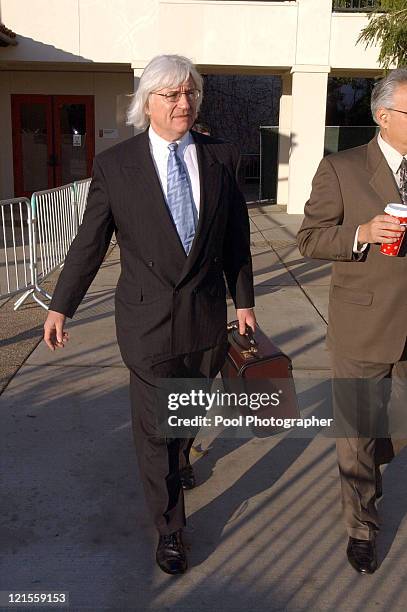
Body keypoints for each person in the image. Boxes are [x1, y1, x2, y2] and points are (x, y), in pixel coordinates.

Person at [43, 54, 256, 575]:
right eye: (172, 95)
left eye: (191, 94)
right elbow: (89, 243)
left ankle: (181, 456)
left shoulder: (222, 157)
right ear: (148, 103)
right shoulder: (116, 166)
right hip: (146, 322)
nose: (184, 103)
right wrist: (61, 305)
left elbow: (236, 239)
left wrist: (244, 299)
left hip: (204, 317)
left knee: (188, 411)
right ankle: (170, 530)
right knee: (156, 428)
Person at [297, 67, 407, 575]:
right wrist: (360, 232)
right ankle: (361, 529)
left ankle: (372, 468)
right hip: (362, 328)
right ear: (384, 117)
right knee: (356, 438)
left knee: (391, 432)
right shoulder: (341, 169)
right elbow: (310, 239)